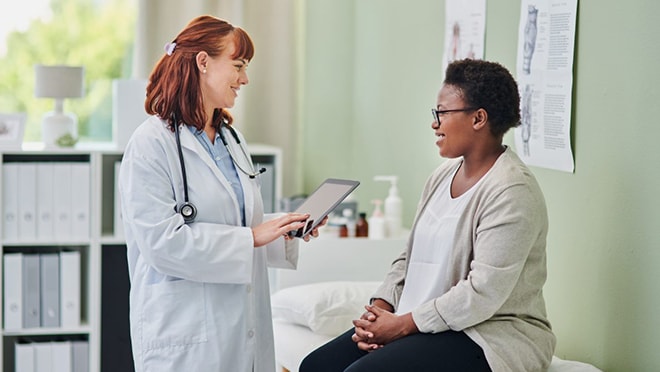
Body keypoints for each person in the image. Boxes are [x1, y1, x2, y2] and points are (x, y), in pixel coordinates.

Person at [300, 59, 556, 372]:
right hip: (424, 323)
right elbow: (408, 258)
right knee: (315, 366)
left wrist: (402, 325)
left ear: (479, 118)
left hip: (487, 335)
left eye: (441, 113)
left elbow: (482, 293)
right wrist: (379, 311)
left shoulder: (512, 190)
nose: (434, 124)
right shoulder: (441, 176)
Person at [118, 15, 321, 372]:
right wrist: (251, 238)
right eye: (238, 65)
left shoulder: (231, 139)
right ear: (203, 62)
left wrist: (284, 228)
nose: (245, 78)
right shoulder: (151, 144)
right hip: (185, 336)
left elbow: (242, 225)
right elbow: (162, 244)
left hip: (242, 326)